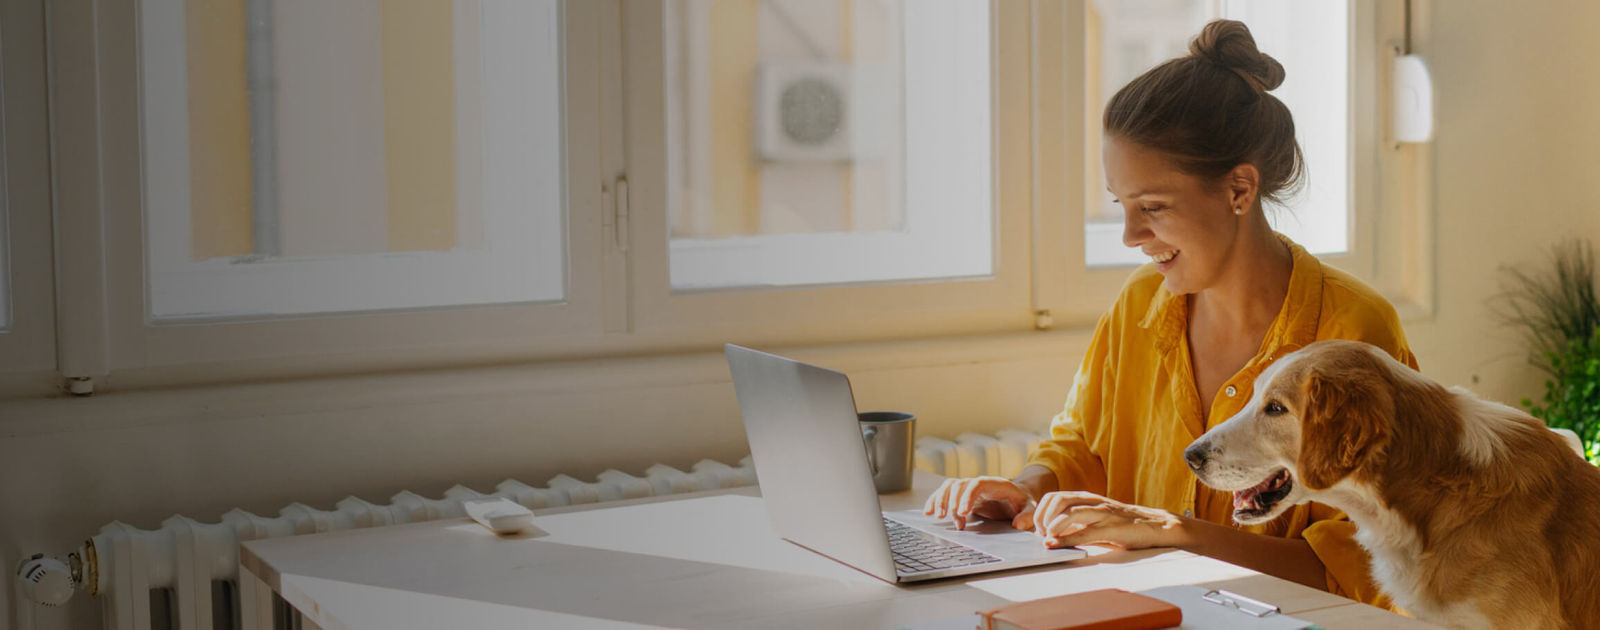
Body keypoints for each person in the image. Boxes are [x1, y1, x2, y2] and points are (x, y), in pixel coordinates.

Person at [923, 19, 1414, 609]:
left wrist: (1176, 536)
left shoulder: (1355, 331)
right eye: (1122, 206)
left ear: (1239, 189)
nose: (1131, 235)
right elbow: (1084, 446)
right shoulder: (1139, 304)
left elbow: (1360, 568)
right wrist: (1025, 489)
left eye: (1152, 206)